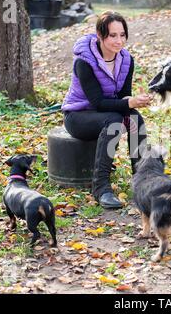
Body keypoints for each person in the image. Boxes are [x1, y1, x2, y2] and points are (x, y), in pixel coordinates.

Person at [62, 11, 151, 209]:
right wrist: (129, 103)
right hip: (77, 116)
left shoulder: (126, 60)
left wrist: (135, 101)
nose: (119, 41)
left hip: (106, 113)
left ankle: (142, 179)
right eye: (113, 35)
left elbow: (122, 96)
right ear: (100, 35)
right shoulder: (83, 62)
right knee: (113, 121)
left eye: (122, 35)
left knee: (136, 120)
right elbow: (97, 102)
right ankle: (101, 187)